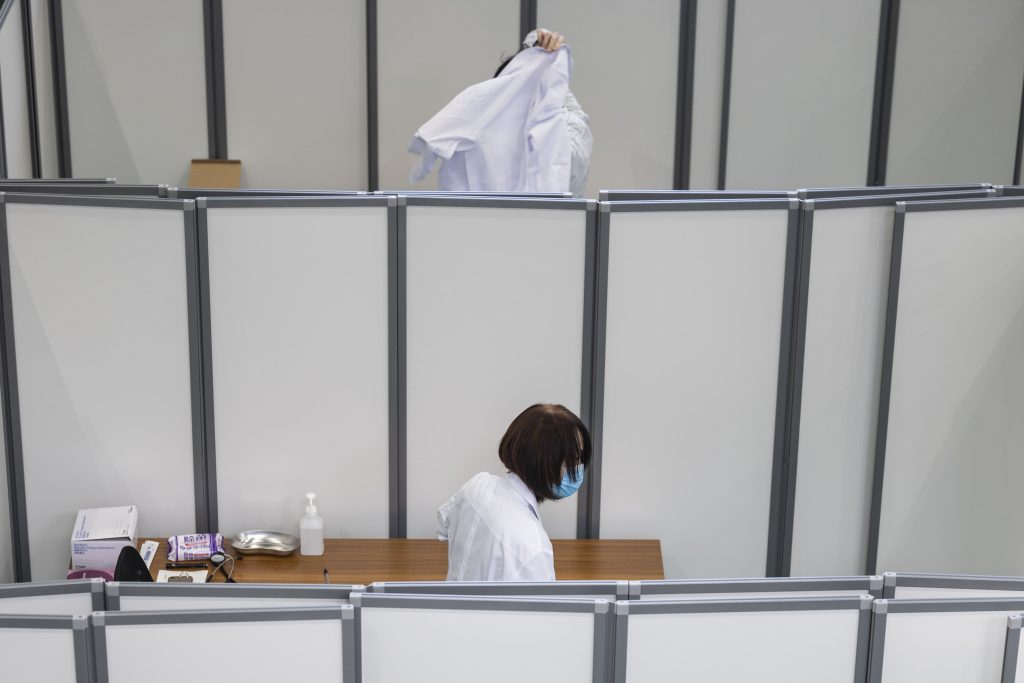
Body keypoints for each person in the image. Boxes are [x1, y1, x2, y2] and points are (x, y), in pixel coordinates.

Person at [409, 29, 592, 197]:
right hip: (486, 222)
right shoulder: (482, 108)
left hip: (505, 222)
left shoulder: (561, 125)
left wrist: (546, 64)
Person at [436, 403, 592, 581]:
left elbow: (443, 526)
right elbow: (541, 606)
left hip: (451, 603)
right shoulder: (533, 549)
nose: (579, 466)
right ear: (544, 462)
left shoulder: (477, 485)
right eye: (574, 458)